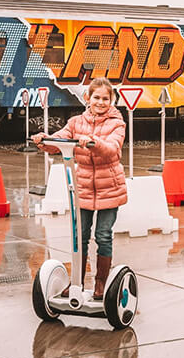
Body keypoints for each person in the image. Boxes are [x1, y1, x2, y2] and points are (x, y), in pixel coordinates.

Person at [33, 77, 126, 300]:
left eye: (106, 98)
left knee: (103, 235)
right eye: (97, 97)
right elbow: (60, 140)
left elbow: (112, 149)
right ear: (88, 98)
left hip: (109, 187)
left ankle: (100, 284)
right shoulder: (76, 122)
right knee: (80, 236)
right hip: (83, 187)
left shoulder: (117, 123)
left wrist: (93, 141)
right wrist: (43, 141)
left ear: (111, 100)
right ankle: (76, 283)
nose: (101, 102)